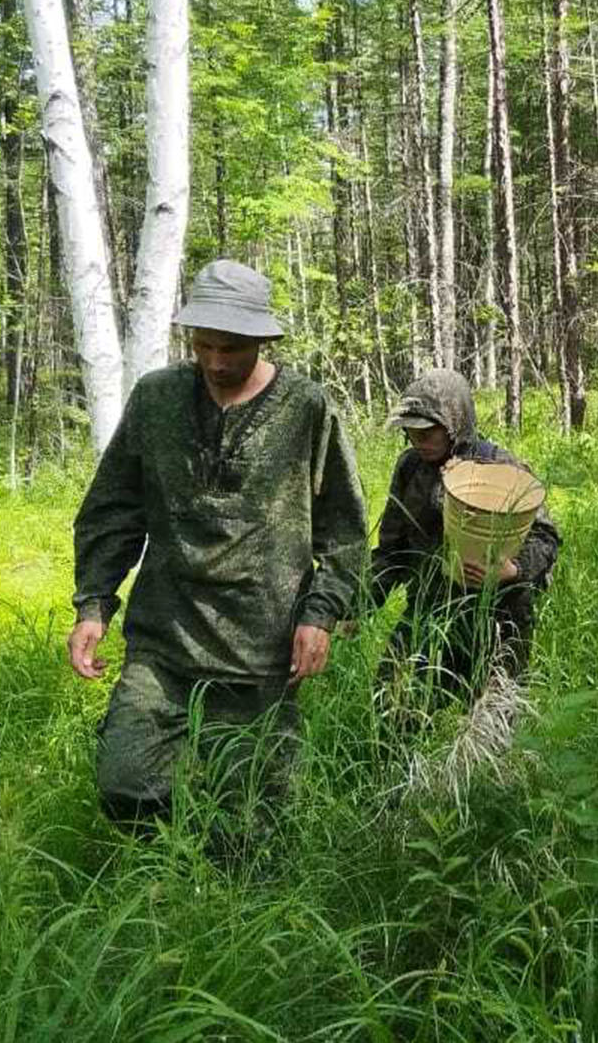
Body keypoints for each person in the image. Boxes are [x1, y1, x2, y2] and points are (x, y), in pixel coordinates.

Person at [69, 259, 368, 838]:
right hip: (165, 640)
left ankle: (219, 901)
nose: (215, 362)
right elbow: (114, 508)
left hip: (262, 650)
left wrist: (320, 613)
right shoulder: (156, 400)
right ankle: (166, 880)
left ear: (261, 338)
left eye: (231, 348)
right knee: (126, 784)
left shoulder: (306, 407)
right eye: (203, 345)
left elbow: (343, 527)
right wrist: (94, 604)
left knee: (254, 820)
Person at [365, 369, 560, 730]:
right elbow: (392, 550)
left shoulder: (500, 467)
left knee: (492, 727)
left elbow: (546, 538)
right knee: (392, 705)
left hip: (498, 616)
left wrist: (512, 569)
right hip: (429, 609)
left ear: (455, 425)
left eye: (428, 432)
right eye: (411, 432)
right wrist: (359, 605)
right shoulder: (410, 468)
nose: (418, 441)